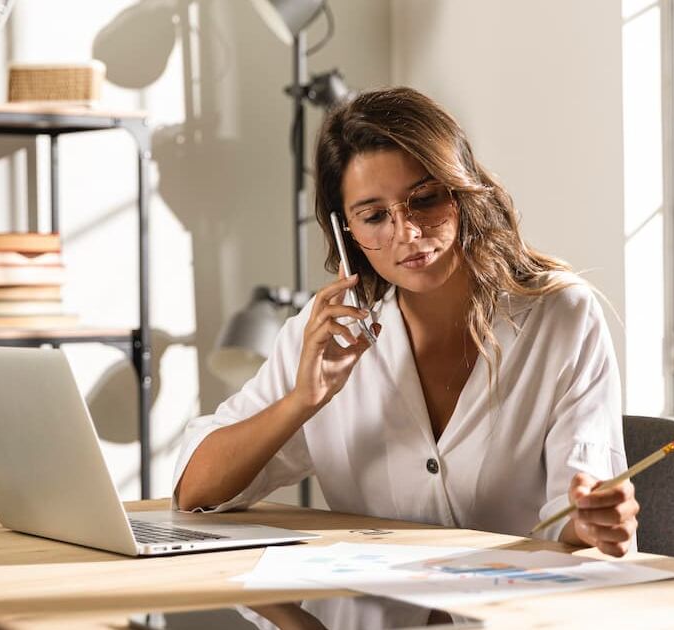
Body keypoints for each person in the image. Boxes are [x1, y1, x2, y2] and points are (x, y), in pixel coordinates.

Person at [173, 87, 637, 556]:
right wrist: (302, 401)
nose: (408, 233)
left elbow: (577, 511)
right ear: (346, 231)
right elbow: (194, 492)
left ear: (461, 191)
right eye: (374, 216)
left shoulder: (561, 317)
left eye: (426, 199)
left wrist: (594, 520)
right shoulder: (327, 335)